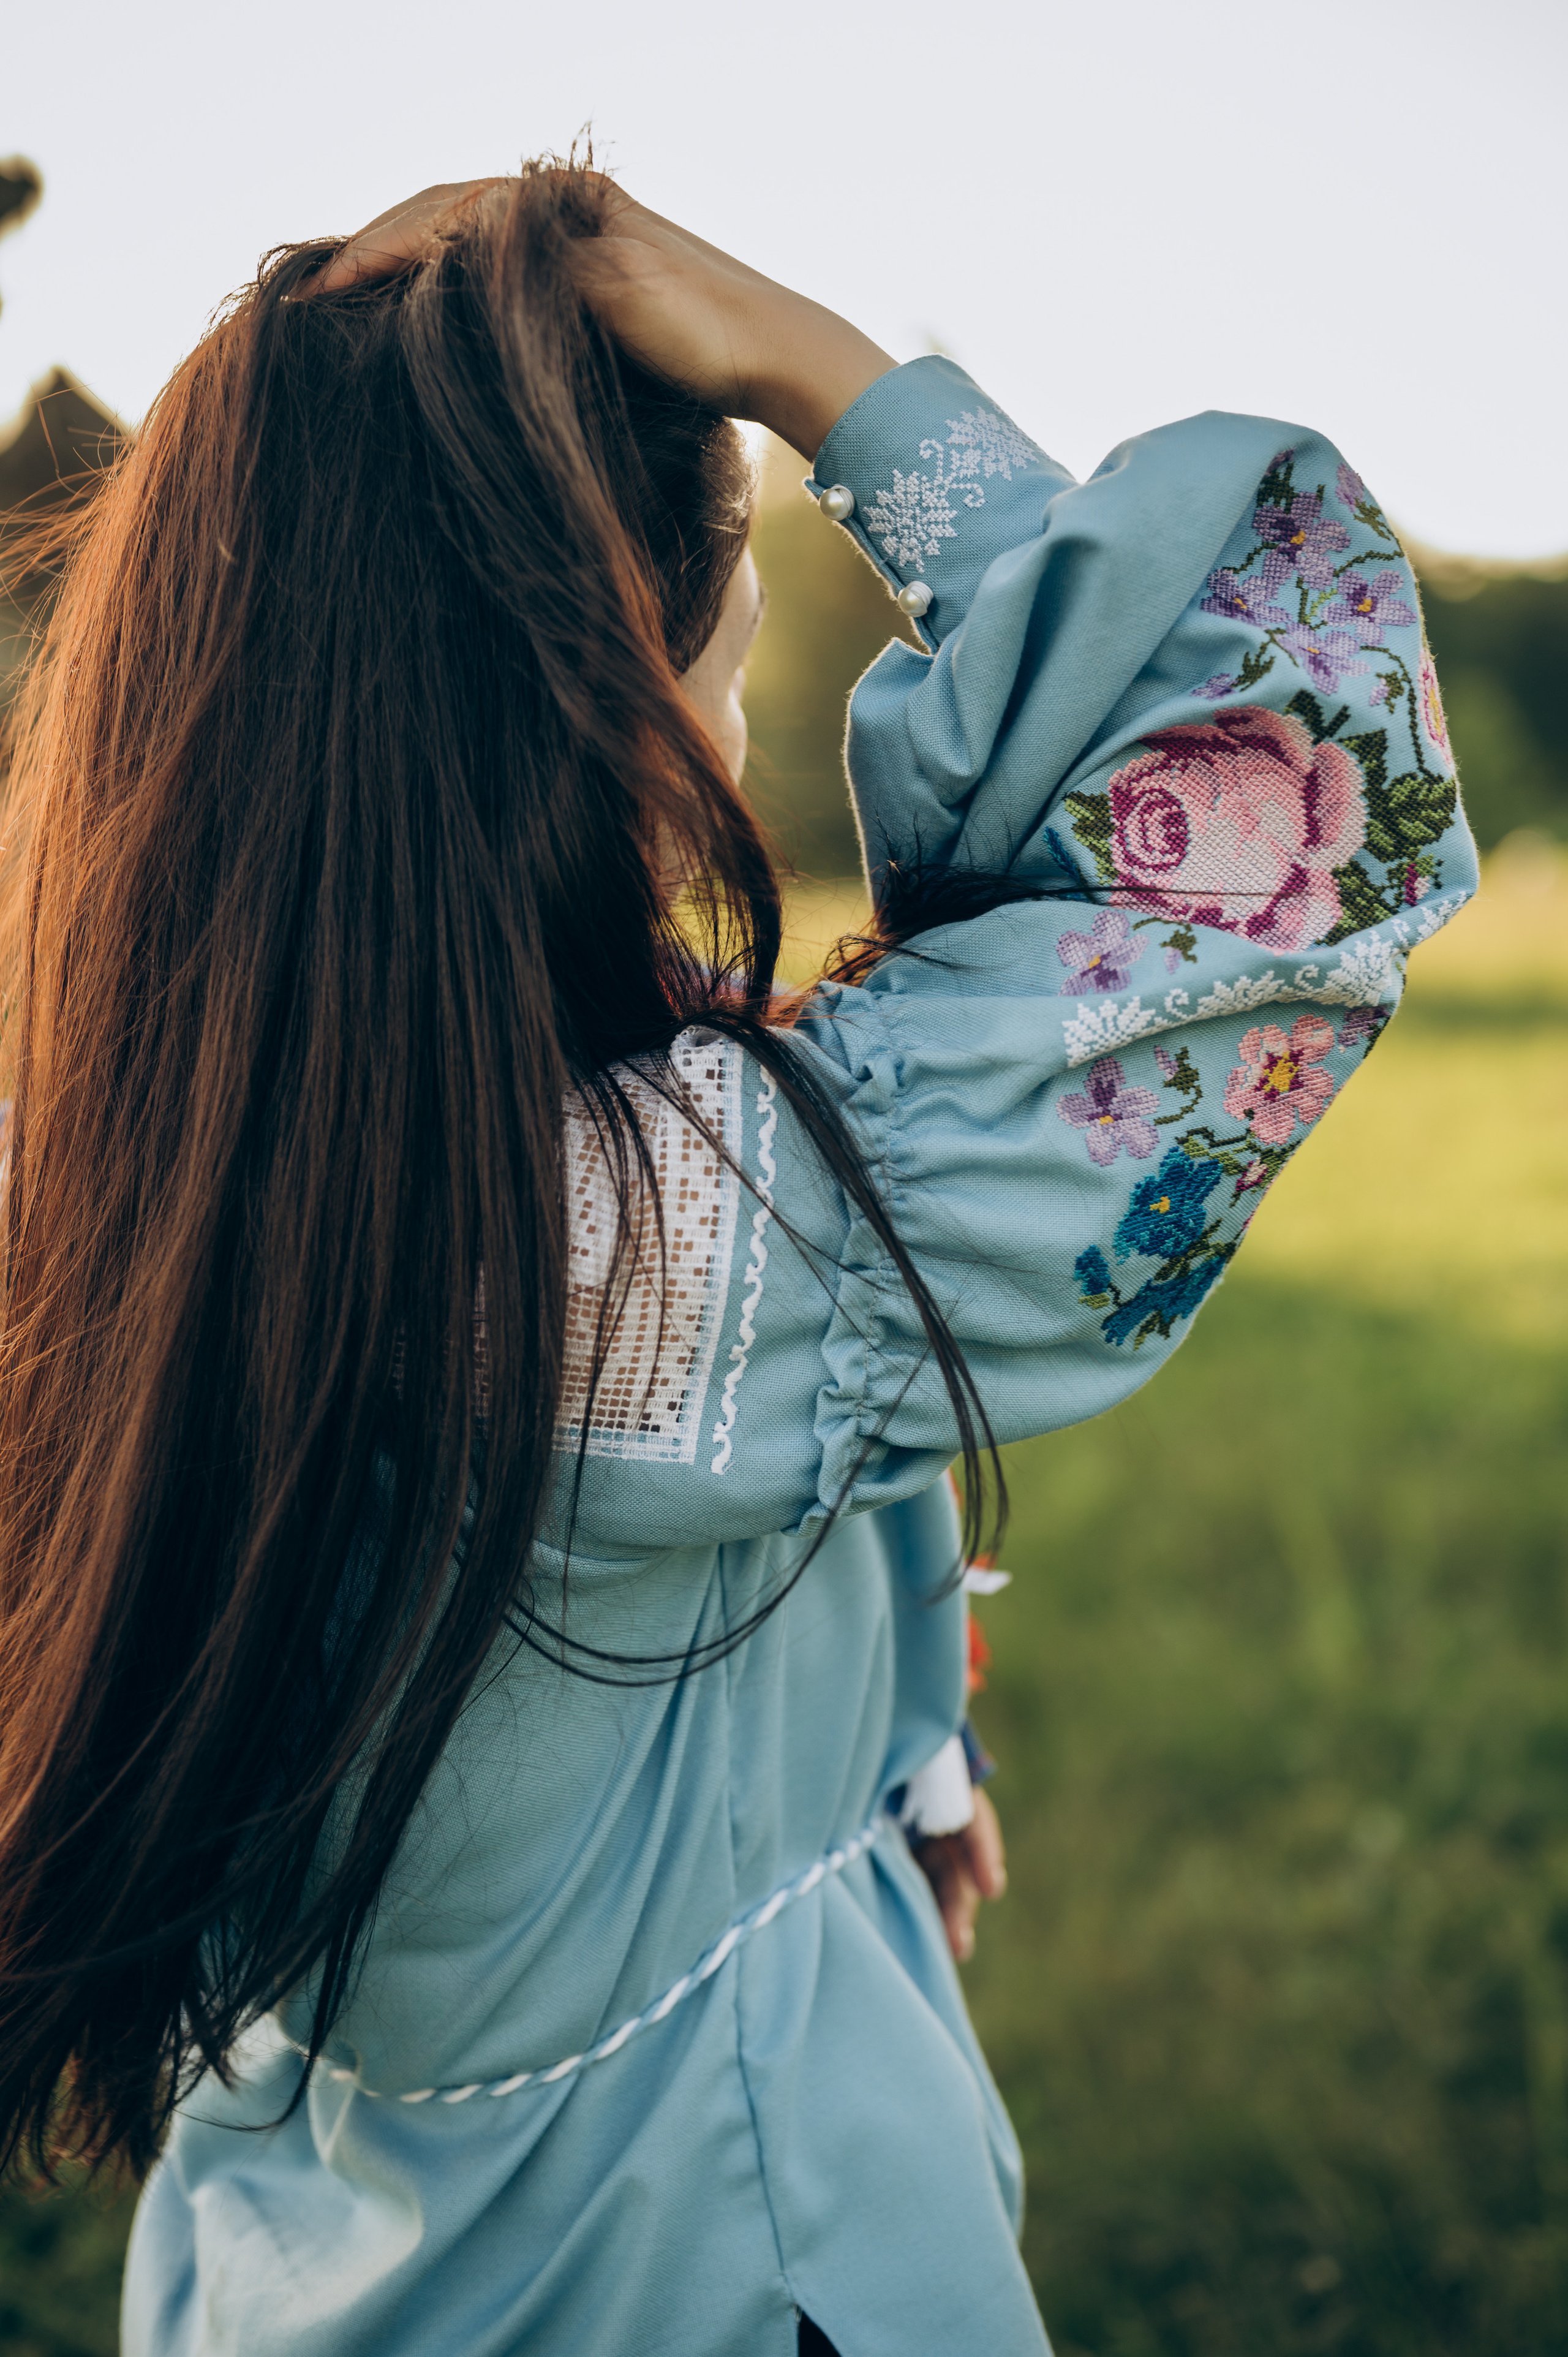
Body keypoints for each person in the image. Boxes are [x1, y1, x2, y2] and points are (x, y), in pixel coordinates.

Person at [0, 164, 1476, 2356]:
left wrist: (885, 1749)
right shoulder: (695, 1239)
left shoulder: (136, 1156)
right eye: (735, 654)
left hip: (288, 2262)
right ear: (619, 695)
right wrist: (817, 366)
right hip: (719, 2254)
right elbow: (1296, 782)